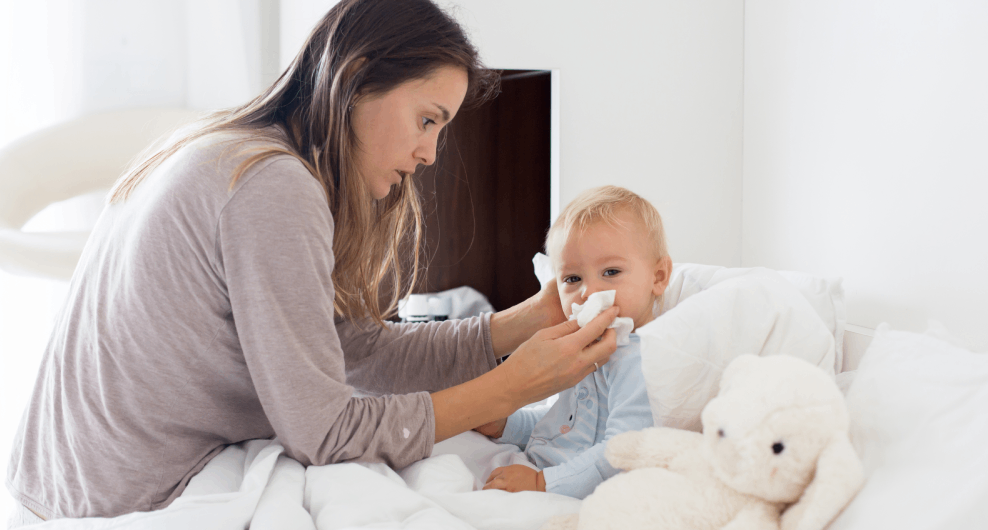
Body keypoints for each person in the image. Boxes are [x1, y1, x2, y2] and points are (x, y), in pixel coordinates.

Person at [4, 0, 621, 526]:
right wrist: (511, 386)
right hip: (121, 500)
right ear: (357, 78)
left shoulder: (233, 149)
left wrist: (524, 321)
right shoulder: (272, 186)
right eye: (427, 120)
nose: (431, 153)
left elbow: (356, 351)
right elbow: (325, 432)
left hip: (63, 484)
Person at [476, 185, 672, 499]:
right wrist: (507, 425)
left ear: (658, 277)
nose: (588, 292)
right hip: (538, 468)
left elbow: (621, 454)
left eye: (611, 271)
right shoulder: (583, 348)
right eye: (573, 278)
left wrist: (542, 483)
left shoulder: (641, 360)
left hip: (572, 491)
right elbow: (561, 426)